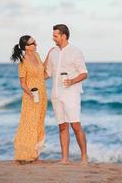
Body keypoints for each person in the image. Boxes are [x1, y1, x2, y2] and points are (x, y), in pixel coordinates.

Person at [45, 24, 88, 165]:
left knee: (75, 126)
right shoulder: (53, 53)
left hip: (71, 94)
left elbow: (84, 73)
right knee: (62, 126)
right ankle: (64, 159)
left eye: (55, 35)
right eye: (53, 35)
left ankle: (84, 158)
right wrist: (32, 78)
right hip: (55, 94)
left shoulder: (75, 52)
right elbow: (48, 74)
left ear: (64, 36)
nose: (53, 38)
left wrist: (72, 81)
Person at [10, 35, 49, 165]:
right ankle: (23, 154)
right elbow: (22, 84)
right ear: (26, 47)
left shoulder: (37, 56)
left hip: (42, 95)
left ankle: (35, 155)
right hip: (31, 97)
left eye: (35, 42)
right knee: (28, 125)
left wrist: (49, 55)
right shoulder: (23, 62)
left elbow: (42, 75)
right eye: (33, 43)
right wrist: (31, 95)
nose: (36, 44)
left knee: (39, 124)